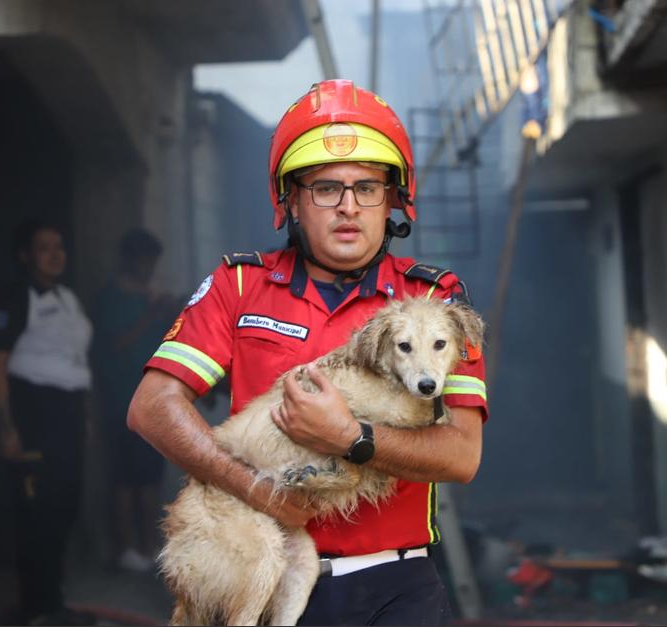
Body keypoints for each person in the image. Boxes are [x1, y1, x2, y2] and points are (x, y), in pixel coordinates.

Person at [128, 80, 488, 626]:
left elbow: (462, 455)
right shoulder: (240, 284)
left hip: (398, 587)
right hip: (272, 577)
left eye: (367, 187)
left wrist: (353, 439)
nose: (348, 207)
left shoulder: (434, 300)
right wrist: (256, 490)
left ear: (394, 199)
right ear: (291, 199)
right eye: (325, 187)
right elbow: (152, 407)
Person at [0, 220, 95, 626]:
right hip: (32, 412)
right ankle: (35, 610)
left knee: (65, 508)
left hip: (66, 415)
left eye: (59, 246)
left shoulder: (69, 299)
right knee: (37, 514)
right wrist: (6, 427)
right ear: (25, 255)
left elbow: (76, 364)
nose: (55, 254)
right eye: (44, 247)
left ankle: (53, 601)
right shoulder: (14, 297)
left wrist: (84, 416)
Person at [91, 228, 179, 573]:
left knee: (151, 477)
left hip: (156, 398)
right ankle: (126, 547)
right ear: (129, 260)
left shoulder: (151, 297)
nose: (149, 268)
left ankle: (149, 545)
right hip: (121, 400)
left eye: (152, 262)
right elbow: (114, 344)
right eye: (144, 261)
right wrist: (149, 314)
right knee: (125, 478)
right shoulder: (111, 297)